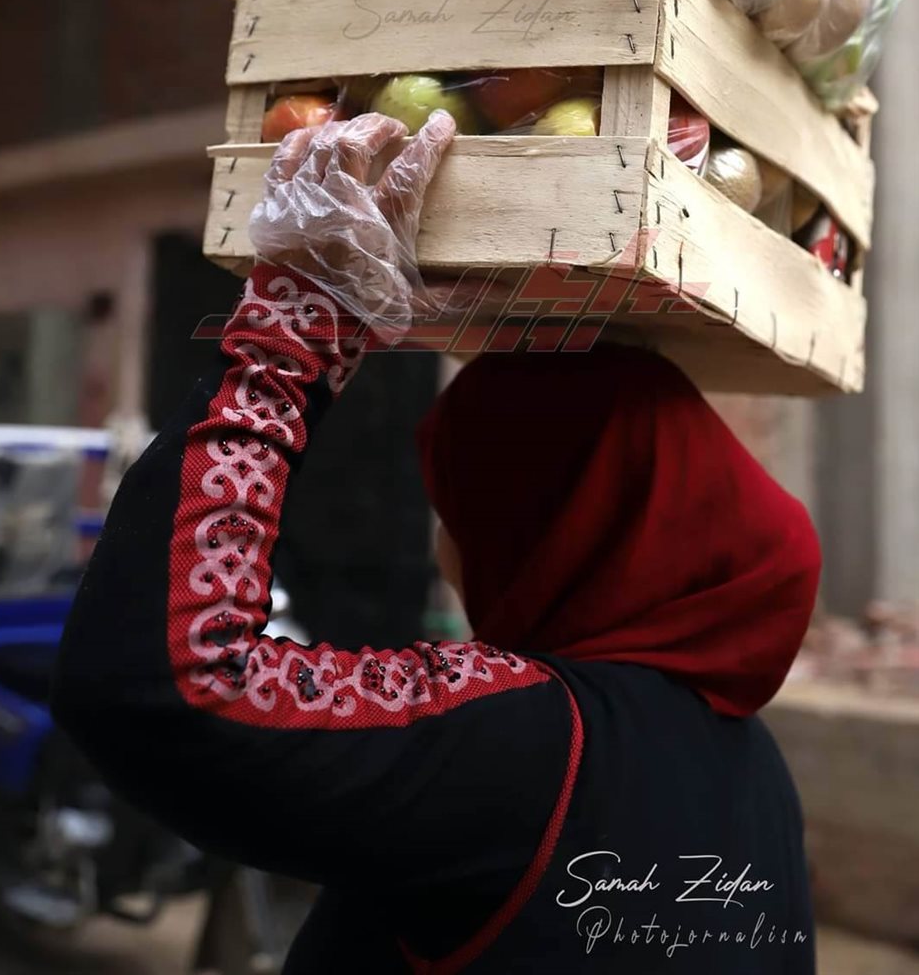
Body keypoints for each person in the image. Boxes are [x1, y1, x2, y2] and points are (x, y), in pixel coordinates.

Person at [52, 113, 820, 973]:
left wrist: (294, 337)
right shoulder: (757, 773)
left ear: (537, 537)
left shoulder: (529, 741)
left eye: (458, 511)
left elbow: (159, 684)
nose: (446, 550)